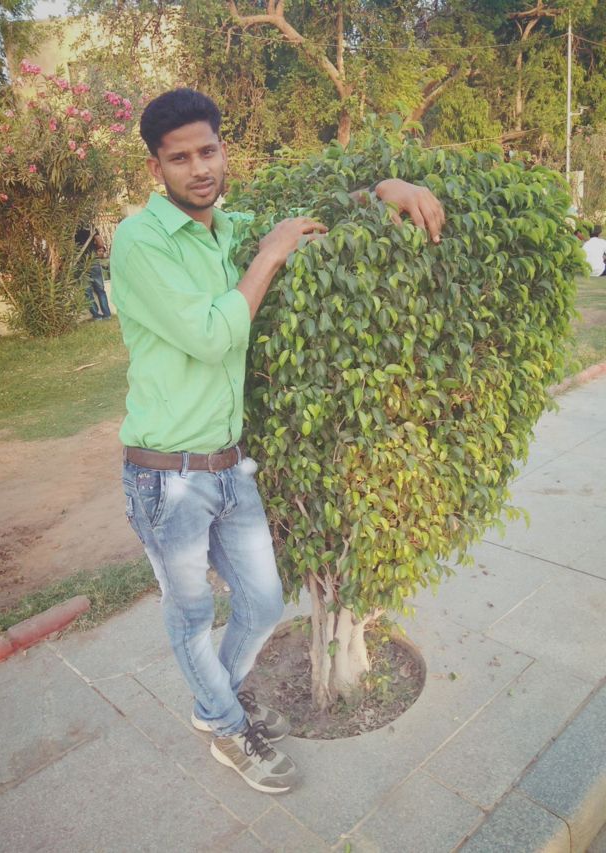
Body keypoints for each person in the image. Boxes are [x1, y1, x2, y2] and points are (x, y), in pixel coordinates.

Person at [110, 88, 444, 794]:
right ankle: (229, 728)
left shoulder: (225, 228)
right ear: (155, 168)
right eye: (180, 158)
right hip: (167, 475)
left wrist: (385, 189)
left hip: (230, 464)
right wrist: (269, 256)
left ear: (223, 149)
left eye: (208, 150)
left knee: (263, 603)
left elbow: (306, 218)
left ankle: (217, 706)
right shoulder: (139, 241)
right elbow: (212, 335)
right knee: (192, 615)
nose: (200, 168)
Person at [75, 225, 112, 319]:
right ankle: (107, 314)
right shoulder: (90, 227)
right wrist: (94, 250)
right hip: (93, 260)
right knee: (100, 290)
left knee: (87, 292)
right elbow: (100, 242)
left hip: (80, 263)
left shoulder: (71, 229)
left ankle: (96, 316)